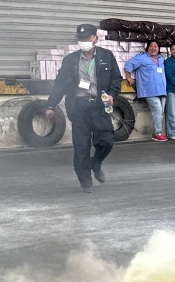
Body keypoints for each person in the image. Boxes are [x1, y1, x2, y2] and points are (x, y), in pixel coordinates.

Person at [45, 24, 123, 193]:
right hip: (79, 107)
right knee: (81, 147)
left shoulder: (106, 56)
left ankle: (96, 162)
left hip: (99, 106)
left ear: (95, 38)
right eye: (80, 38)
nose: (83, 41)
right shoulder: (70, 60)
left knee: (106, 141)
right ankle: (85, 181)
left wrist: (112, 94)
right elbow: (60, 85)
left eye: (87, 38)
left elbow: (116, 79)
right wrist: (51, 105)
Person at [125, 40, 167, 141]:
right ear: (147, 48)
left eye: (156, 46)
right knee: (157, 110)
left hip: (162, 89)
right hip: (149, 90)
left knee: (160, 112)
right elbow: (129, 64)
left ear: (158, 48)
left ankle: (157, 133)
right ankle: (158, 133)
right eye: (151, 46)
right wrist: (129, 77)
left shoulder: (161, 58)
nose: (153, 48)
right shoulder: (142, 57)